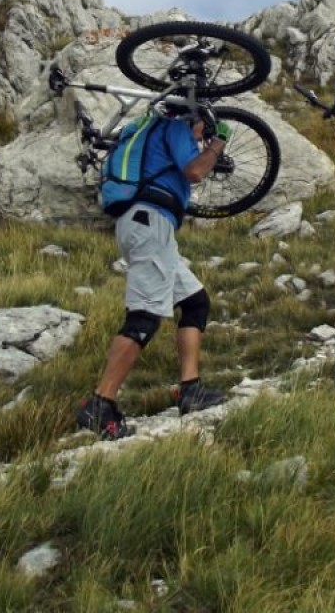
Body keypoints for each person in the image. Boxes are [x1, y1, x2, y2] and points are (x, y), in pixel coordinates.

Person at [76, 108, 232, 439]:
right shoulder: (176, 128)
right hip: (150, 222)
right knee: (144, 317)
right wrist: (217, 144)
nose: (204, 133)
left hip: (147, 224)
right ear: (196, 120)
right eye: (205, 127)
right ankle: (100, 404)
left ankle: (190, 390)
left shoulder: (144, 129)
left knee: (194, 302)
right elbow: (194, 171)